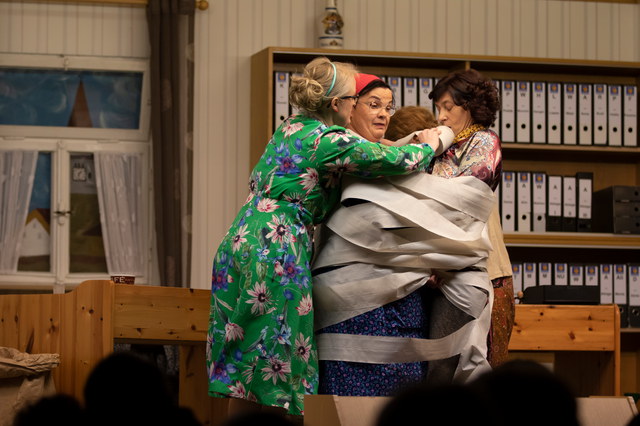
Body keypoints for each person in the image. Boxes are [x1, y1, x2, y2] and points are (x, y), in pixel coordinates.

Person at [206, 57, 441, 417]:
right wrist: (432, 143)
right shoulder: (327, 140)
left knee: (244, 363)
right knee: (278, 362)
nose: (356, 106)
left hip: (240, 241)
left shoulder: (290, 128)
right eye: (355, 100)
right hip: (276, 248)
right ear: (337, 104)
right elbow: (395, 160)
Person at [386, 103, 515, 371]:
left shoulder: (439, 171)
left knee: (462, 370)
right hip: (477, 278)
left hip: (479, 280)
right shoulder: (460, 160)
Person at [420, 69, 514, 384]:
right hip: (440, 271)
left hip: (473, 273)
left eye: (448, 107)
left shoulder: (483, 141)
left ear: (471, 105)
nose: (441, 116)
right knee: (439, 368)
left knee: (467, 371)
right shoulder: (443, 146)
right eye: (438, 108)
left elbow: (465, 198)